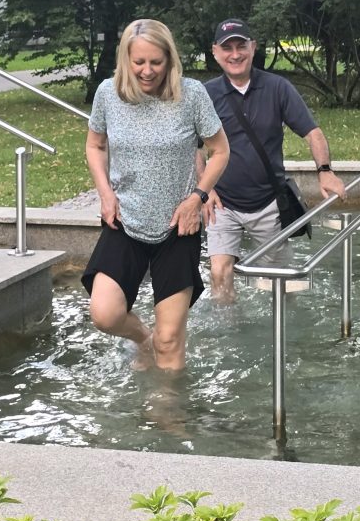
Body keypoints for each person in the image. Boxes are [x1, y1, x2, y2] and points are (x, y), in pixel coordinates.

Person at [82, 19, 230, 371]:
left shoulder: (191, 94)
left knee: (170, 341)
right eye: (139, 63)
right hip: (124, 218)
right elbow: (94, 144)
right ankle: (142, 339)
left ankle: (170, 420)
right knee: (105, 314)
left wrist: (197, 197)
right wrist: (105, 193)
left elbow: (221, 151)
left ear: (170, 59)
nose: (147, 71)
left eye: (156, 63)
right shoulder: (108, 94)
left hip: (178, 226)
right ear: (125, 60)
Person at [200, 19, 346, 302]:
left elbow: (312, 132)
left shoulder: (278, 88)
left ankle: (282, 335)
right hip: (222, 203)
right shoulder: (206, 95)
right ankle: (230, 335)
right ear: (215, 52)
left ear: (253, 48)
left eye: (241, 46)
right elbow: (194, 148)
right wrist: (205, 190)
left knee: (279, 283)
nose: (235, 54)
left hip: (268, 203)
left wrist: (325, 172)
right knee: (219, 273)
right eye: (227, 48)